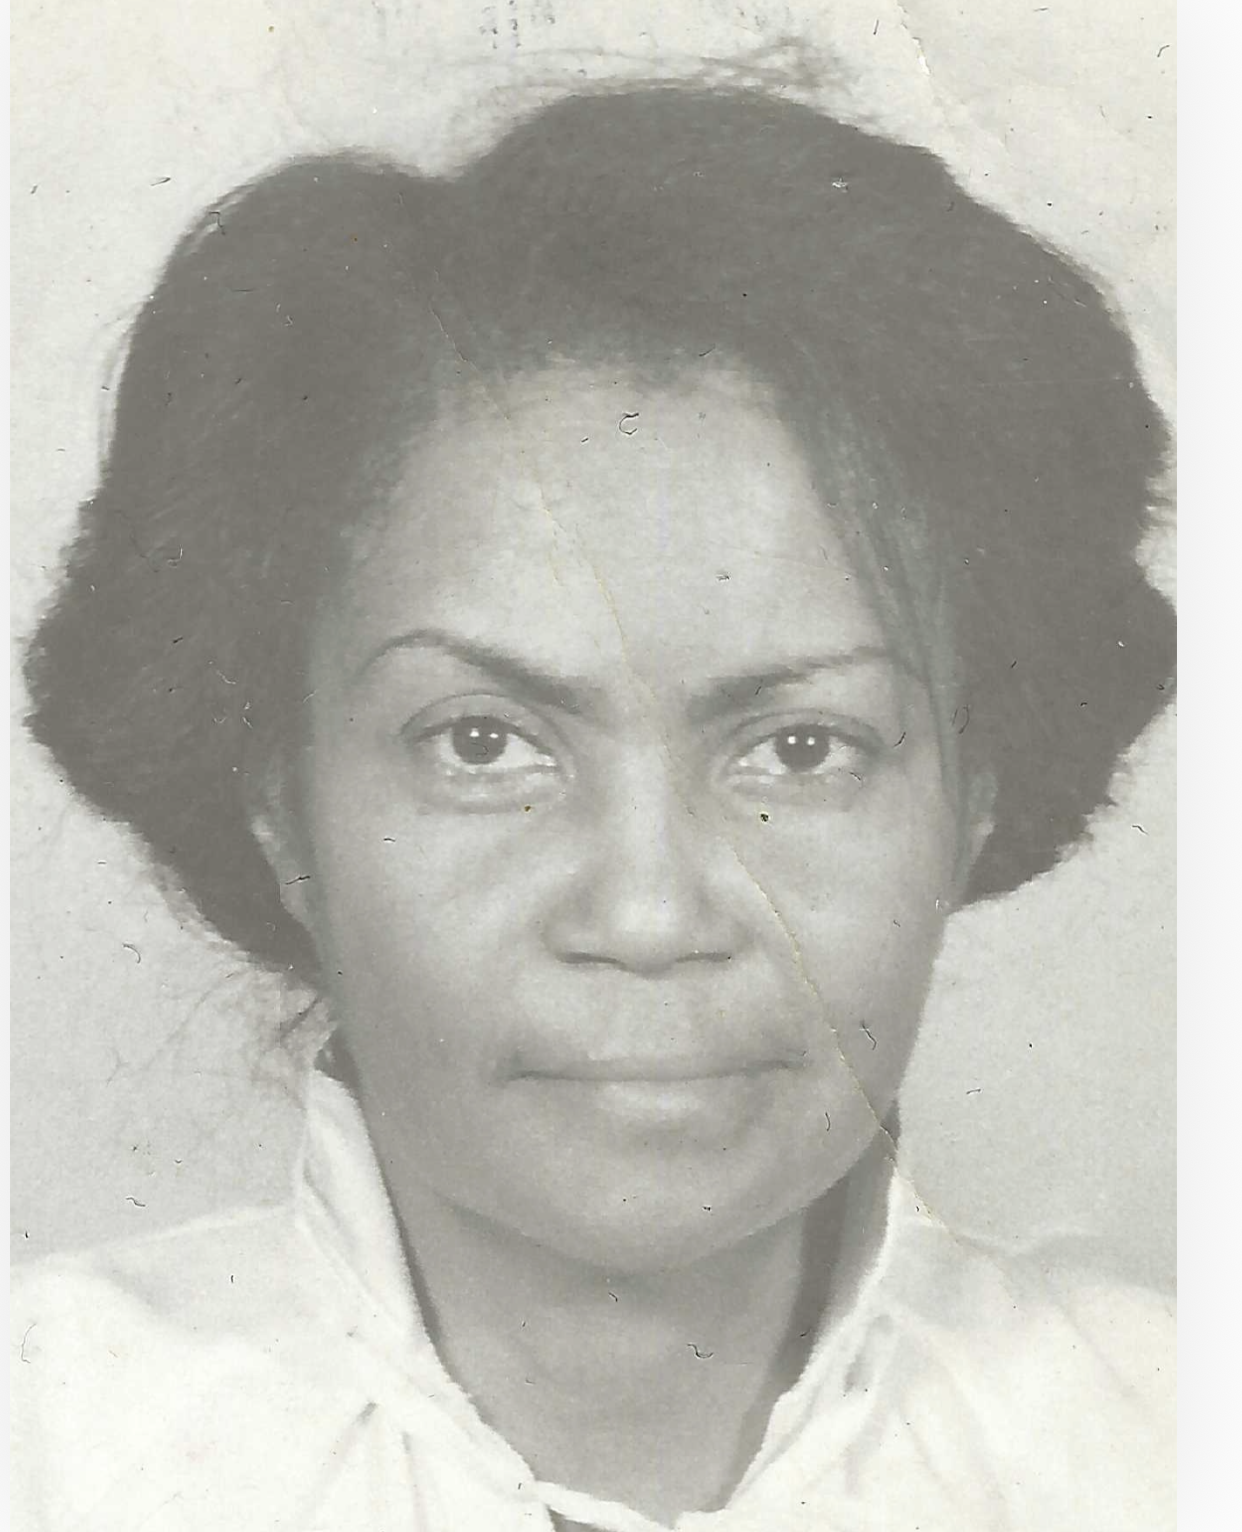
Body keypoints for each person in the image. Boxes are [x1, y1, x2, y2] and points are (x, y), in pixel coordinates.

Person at [12, 83, 1174, 1531]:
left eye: (799, 749)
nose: (648, 913)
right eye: (483, 742)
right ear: (282, 813)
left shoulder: (1169, 1445)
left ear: (972, 796)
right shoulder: (47, 1450)